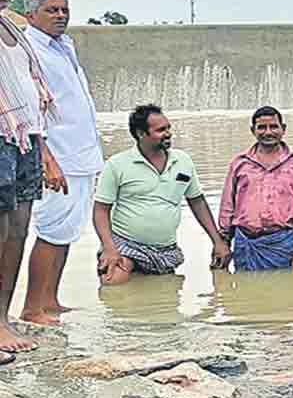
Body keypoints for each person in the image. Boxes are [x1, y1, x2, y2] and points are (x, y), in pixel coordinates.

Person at [19, 0, 104, 327]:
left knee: (68, 230)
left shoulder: (64, 46)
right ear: (31, 15)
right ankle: (31, 308)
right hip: (59, 154)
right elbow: (31, 108)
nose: (60, 16)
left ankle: (51, 299)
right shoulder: (28, 49)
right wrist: (47, 158)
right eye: (51, 10)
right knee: (51, 230)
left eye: (64, 10)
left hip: (83, 153)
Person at [0, 0, 65, 354]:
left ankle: (3, 318)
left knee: (19, 231)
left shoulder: (13, 30)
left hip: (24, 142)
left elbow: (29, 94)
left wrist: (44, 152)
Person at [94, 105, 231, 284]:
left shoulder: (183, 161)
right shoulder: (116, 165)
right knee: (114, 282)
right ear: (141, 133)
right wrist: (109, 247)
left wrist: (218, 242)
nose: (168, 133)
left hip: (165, 249)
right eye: (160, 130)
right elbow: (100, 210)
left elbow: (197, 202)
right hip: (125, 244)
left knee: (166, 298)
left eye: (168, 128)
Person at [217, 107, 293, 271]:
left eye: (273, 127)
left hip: (284, 244)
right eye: (262, 127)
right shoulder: (240, 163)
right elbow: (228, 206)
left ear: (283, 129)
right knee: (245, 292)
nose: (268, 132)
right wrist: (222, 243)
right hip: (246, 244)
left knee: (285, 293)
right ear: (253, 130)